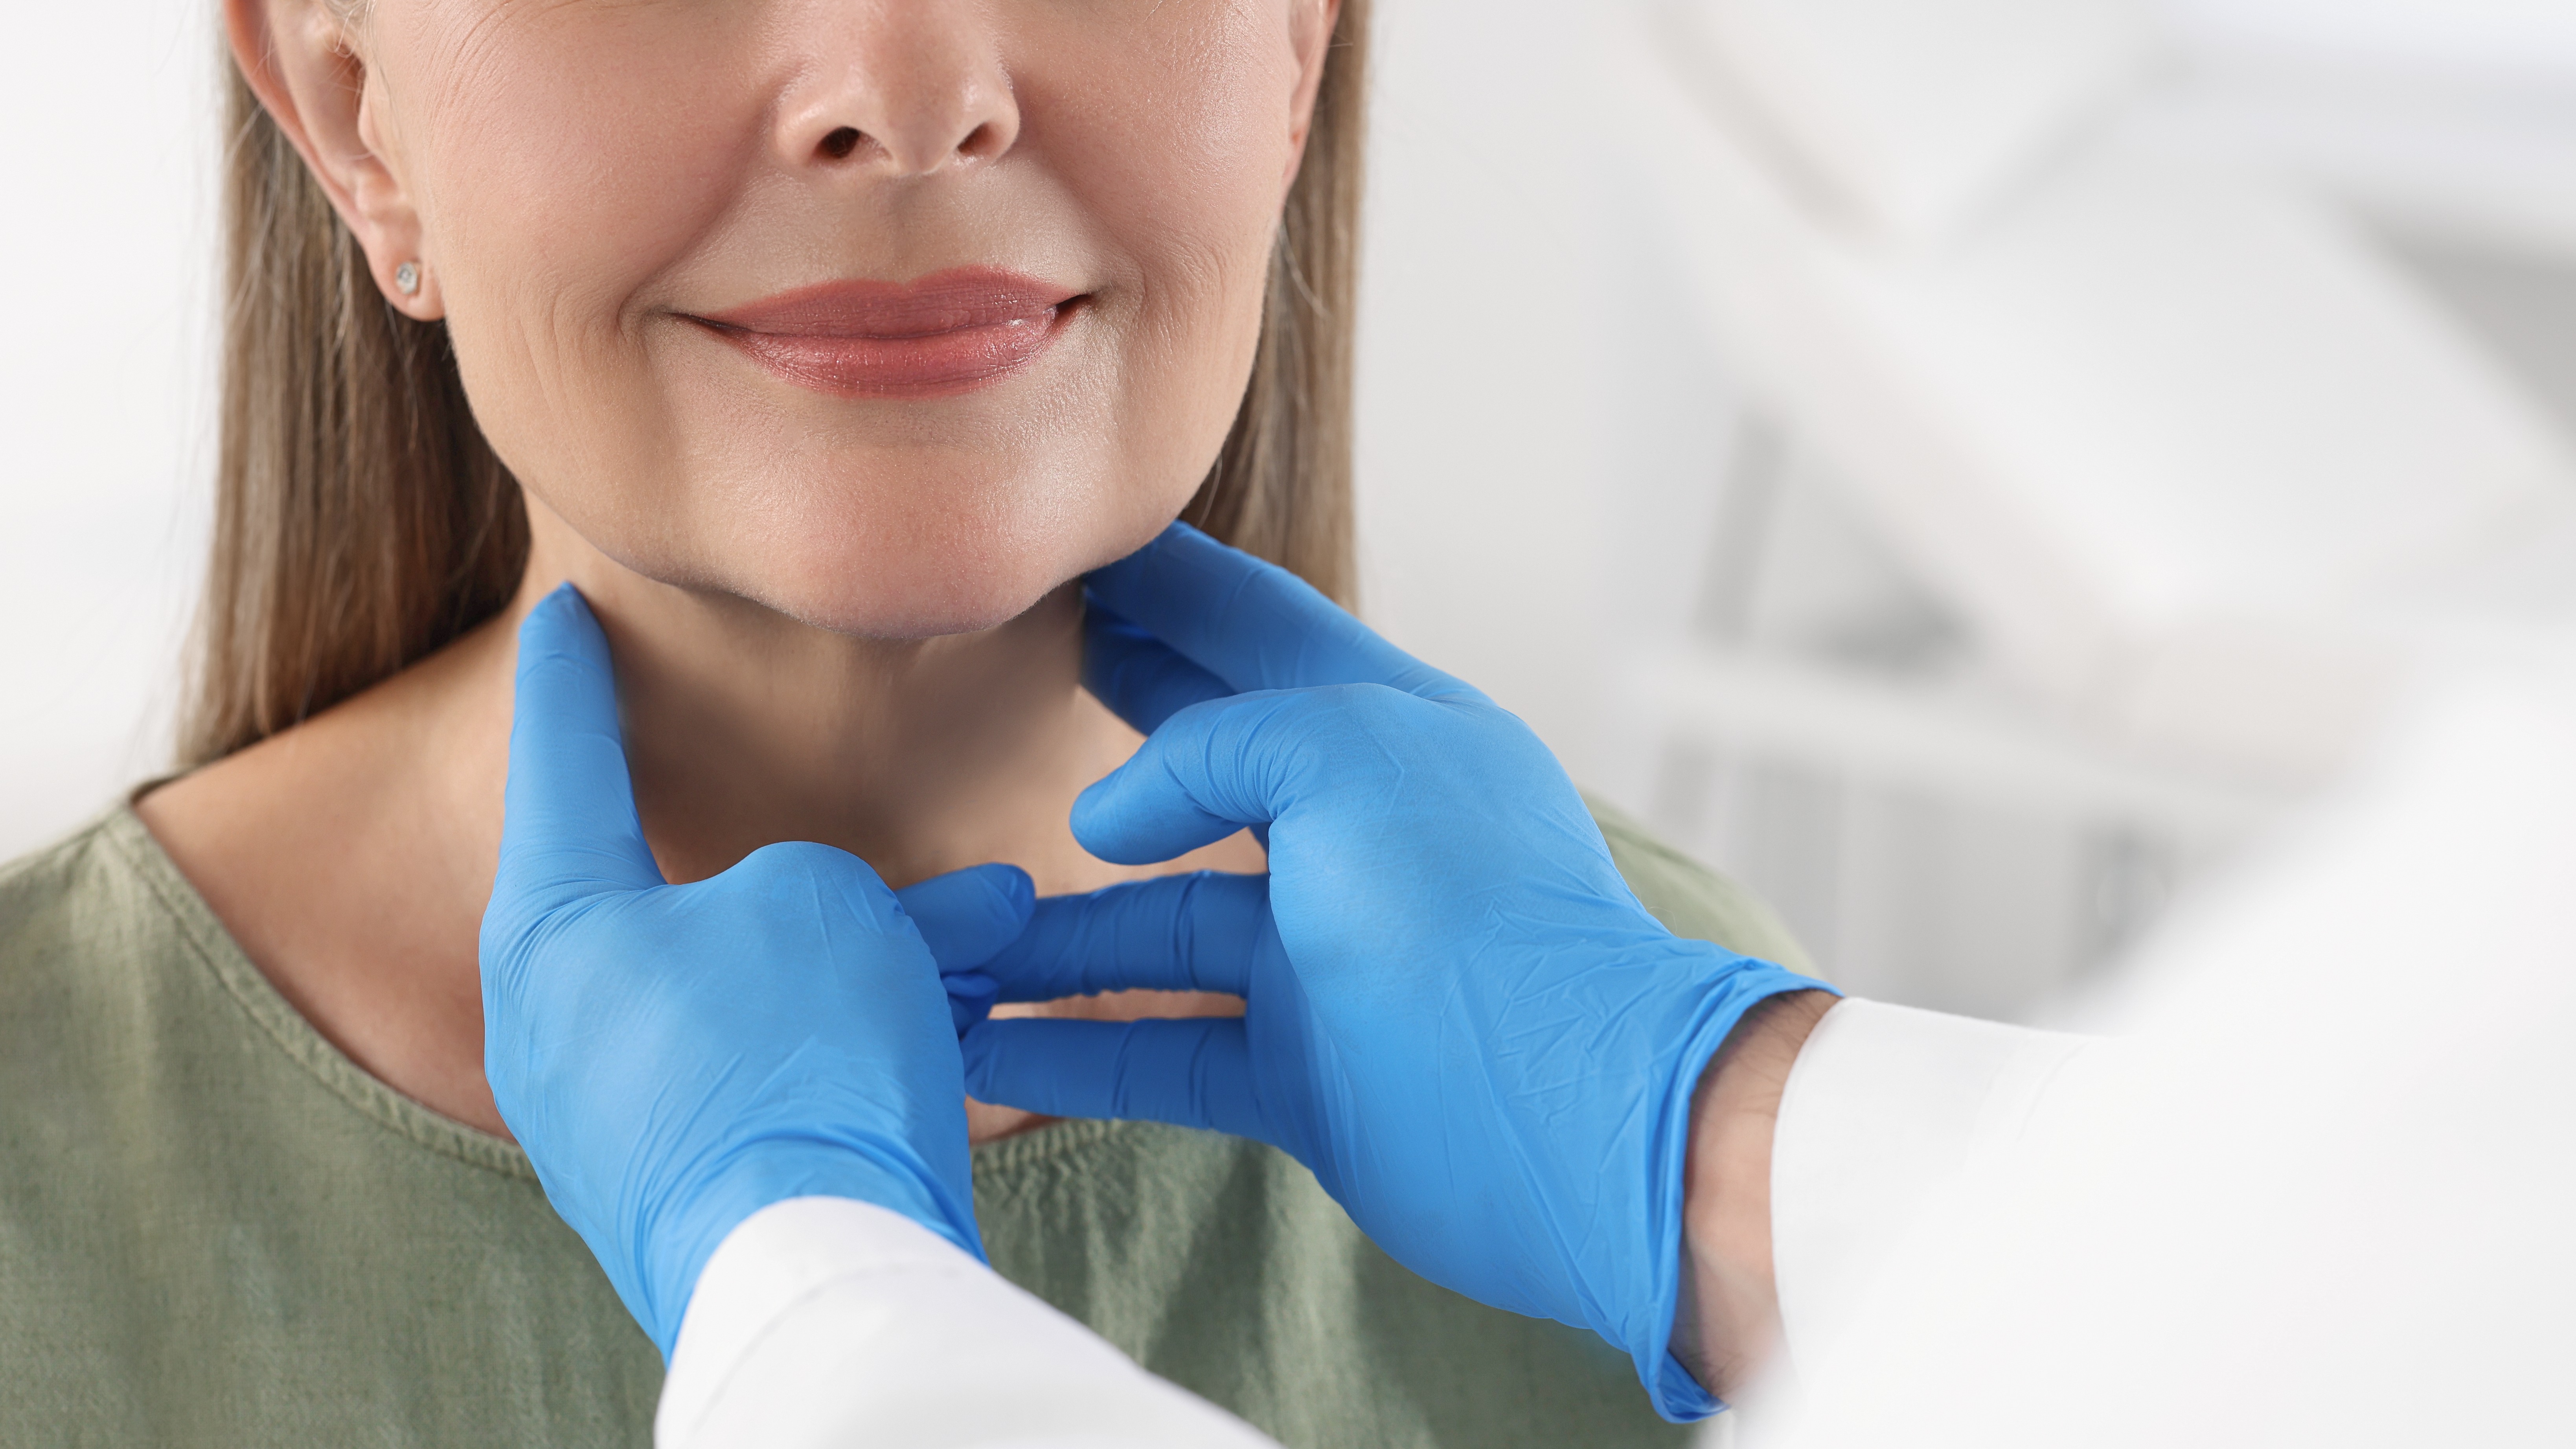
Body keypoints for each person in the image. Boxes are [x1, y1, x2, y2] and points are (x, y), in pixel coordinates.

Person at [0, 1, 1818, 1444]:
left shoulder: (1689, 1072)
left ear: (1293, 48)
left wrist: (1732, 1172)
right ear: (353, 109)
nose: (913, 95)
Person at [493, 524, 2576, 1449]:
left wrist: (792, 1259)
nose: (904, 80)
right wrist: (1716, 1137)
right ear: (356, 119)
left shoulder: (1687, 923)